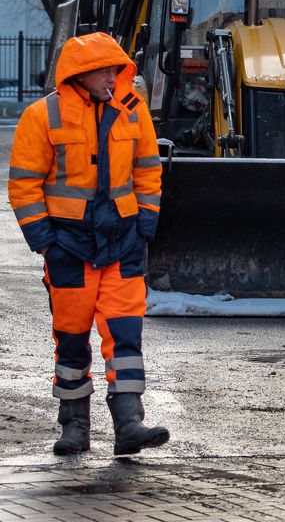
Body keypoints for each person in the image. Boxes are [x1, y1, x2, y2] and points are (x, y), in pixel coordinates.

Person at [7, 32, 170, 456]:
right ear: (81, 74)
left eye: (118, 69)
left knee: (125, 335)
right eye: (106, 70)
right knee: (72, 338)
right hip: (69, 248)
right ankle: (74, 428)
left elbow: (148, 171)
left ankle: (129, 425)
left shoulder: (133, 112)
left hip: (123, 244)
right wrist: (47, 243)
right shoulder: (43, 116)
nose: (114, 77)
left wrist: (144, 229)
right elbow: (24, 186)